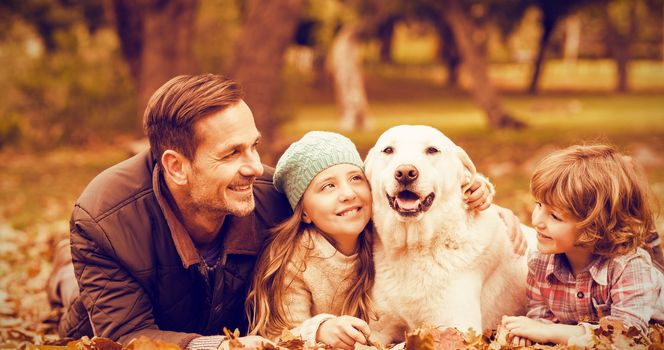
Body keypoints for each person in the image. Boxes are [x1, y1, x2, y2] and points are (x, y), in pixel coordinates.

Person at [46, 74, 508, 349]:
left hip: (235, 324)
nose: (254, 167)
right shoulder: (103, 223)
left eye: (255, 146)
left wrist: (478, 200)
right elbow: (129, 336)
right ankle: (65, 274)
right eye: (231, 154)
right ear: (176, 165)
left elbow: (374, 204)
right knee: (75, 295)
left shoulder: (269, 192)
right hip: (141, 320)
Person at [502, 145, 664, 347]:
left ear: (593, 226)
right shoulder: (539, 260)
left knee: (654, 264)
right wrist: (530, 331)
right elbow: (541, 317)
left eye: (555, 216)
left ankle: (650, 240)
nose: (537, 221)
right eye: (538, 205)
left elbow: (628, 338)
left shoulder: (629, 268)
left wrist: (550, 332)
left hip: (654, 299)